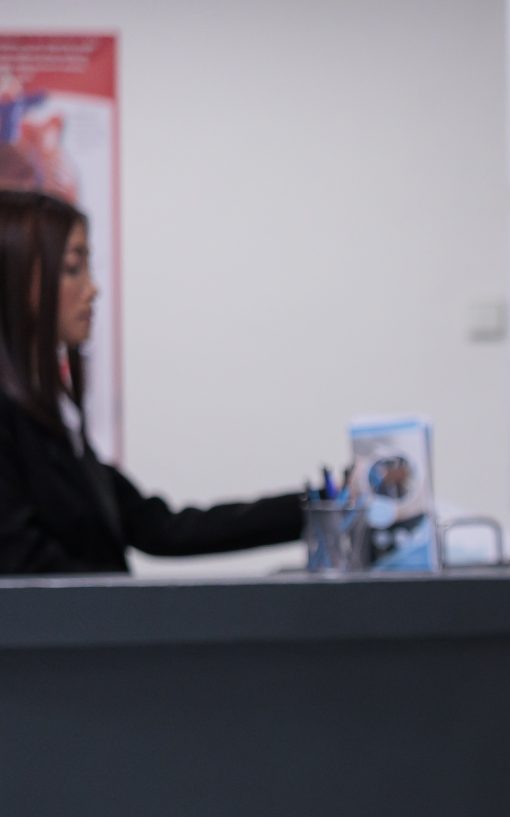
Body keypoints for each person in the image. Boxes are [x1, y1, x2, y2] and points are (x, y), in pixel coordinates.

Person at [0, 189, 300, 576]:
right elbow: (27, 570)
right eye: (74, 268)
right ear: (17, 279)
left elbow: (162, 528)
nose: (93, 290)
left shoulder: (58, 419)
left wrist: (323, 503)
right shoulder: (11, 419)